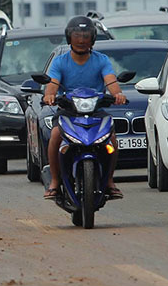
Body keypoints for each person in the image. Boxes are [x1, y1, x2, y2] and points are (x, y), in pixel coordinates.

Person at [43, 16, 127, 201]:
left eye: (85, 36)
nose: (81, 40)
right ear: (69, 38)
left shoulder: (102, 60)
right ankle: (55, 181)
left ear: (92, 39)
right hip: (69, 110)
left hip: (95, 110)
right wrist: (50, 95)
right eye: (77, 36)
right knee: (56, 135)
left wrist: (118, 95)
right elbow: (52, 84)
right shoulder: (60, 61)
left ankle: (110, 181)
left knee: (111, 139)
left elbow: (111, 81)